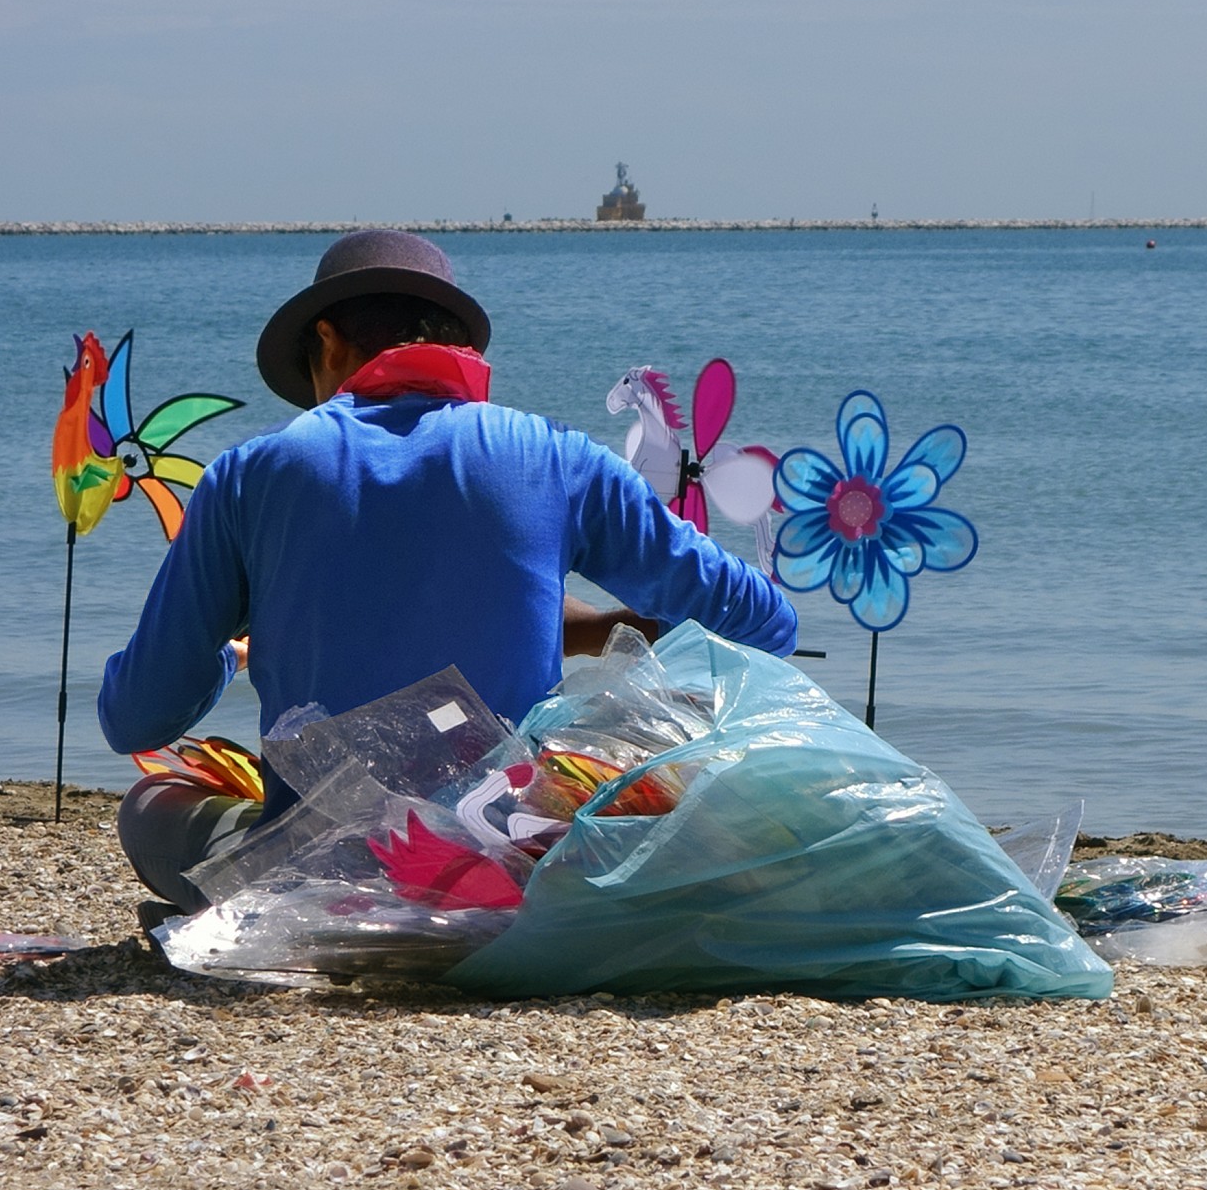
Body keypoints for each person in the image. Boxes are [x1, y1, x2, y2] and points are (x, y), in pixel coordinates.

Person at [99, 229, 796, 921]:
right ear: (457, 346)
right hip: (513, 873)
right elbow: (762, 622)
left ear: (330, 341)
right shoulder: (555, 457)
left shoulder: (251, 475)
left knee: (149, 807)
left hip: (323, 883)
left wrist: (227, 652)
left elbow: (138, 715)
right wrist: (625, 629)